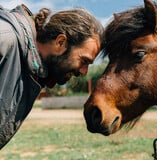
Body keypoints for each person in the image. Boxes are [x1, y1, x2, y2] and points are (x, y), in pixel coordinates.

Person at [0, 4, 103, 149]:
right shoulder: (4, 40)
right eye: (84, 61)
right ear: (60, 42)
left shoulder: (32, 70)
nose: (84, 72)